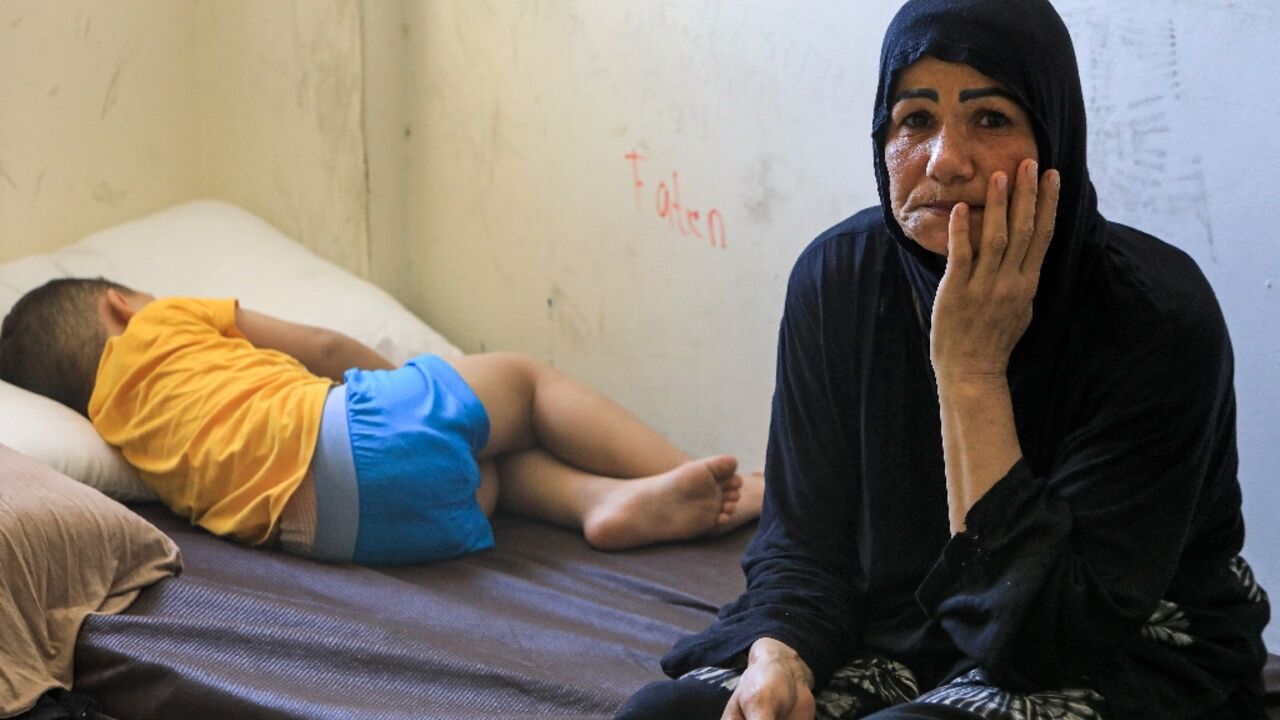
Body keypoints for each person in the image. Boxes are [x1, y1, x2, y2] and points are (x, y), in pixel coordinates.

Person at [614, 0, 1270, 718]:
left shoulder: (1154, 317)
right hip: (896, 633)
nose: (944, 160)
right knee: (664, 714)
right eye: (915, 121)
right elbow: (804, 545)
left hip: (1122, 642)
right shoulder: (838, 281)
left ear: (1053, 138)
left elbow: (1045, 638)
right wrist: (782, 655)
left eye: (990, 119)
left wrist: (970, 371)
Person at [0, 280, 764, 565]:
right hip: (352, 432)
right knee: (524, 385)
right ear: (118, 305)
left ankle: (596, 504)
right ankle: (694, 479)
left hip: (343, 536)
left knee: (485, 457)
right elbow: (326, 348)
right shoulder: (160, 321)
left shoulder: (115, 428)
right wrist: (411, 388)